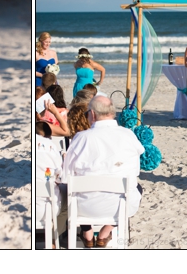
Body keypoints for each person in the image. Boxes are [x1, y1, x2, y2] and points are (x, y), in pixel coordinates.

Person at [61, 95, 143, 248]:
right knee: (137, 187)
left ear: (92, 114)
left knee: (71, 188)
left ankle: (87, 232)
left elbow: (66, 176)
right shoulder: (128, 135)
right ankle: (106, 231)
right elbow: (135, 170)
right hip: (120, 206)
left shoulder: (82, 138)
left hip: (85, 207)